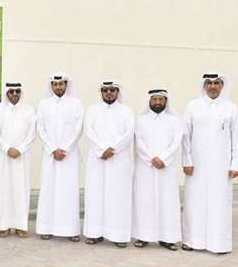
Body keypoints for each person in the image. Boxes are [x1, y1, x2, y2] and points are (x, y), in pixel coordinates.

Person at [182, 73, 238, 254]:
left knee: (219, 203)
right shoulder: (193, 106)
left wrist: (235, 164)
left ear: (222, 86)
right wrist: (187, 160)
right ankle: (192, 241)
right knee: (194, 202)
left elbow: (236, 138)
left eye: (217, 83)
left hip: (221, 166)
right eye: (209, 83)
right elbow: (185, 136)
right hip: (196, 166)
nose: (213, 86)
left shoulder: (231, 108)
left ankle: (219, 244)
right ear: (204, 86)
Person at [83, 80, 135, 248]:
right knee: (96, 195)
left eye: (112, 90)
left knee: (118, 197)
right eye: (105, 90)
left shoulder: (126, 111)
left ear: (117, 92)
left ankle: (118, 235)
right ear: (101, 92)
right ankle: (94, 233)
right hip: (97, 160)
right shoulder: (92, 110)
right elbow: (88, 131)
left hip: (119, 160)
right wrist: (101, 150)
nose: (109, 93)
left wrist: (113, 149)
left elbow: (129, 133)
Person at [132, 89, 182, 251]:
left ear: (166, 101)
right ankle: (144, 236)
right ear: (149, 101)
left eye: (161, 99)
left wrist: (164, 159)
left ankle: (168, 238)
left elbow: (176, 142)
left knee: (167, 202)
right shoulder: (140, 120)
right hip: (145, 167)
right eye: (155, 99)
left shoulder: (174, 120)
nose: (158, 102)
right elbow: (139, 142)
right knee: (144, 201)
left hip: (166, 168)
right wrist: (151, 158)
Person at [35, 73, 83, 242]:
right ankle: (46, 228)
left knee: (68, 192)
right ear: (51, 86)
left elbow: (78, 128)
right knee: (49, 190)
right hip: (50, 155)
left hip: (69, 155)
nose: (58, 87)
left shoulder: (76, 104)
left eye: (61, 84)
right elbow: (40, 128)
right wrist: (53, 149)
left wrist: (65, 149)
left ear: (66, 85)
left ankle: (71, 230)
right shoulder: (43, 104)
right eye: (55, 84)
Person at [0, 82, 36, 238]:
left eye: (17, 91)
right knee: (4, 190)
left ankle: (21, 225)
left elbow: (32, 134)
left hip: (22, 157)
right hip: (5, 156)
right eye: (11, 91)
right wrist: (6, 148)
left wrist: (20, 149)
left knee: (21, 189)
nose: (14, 94)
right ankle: (4, 226)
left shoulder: (29, 110)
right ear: (6, 93)